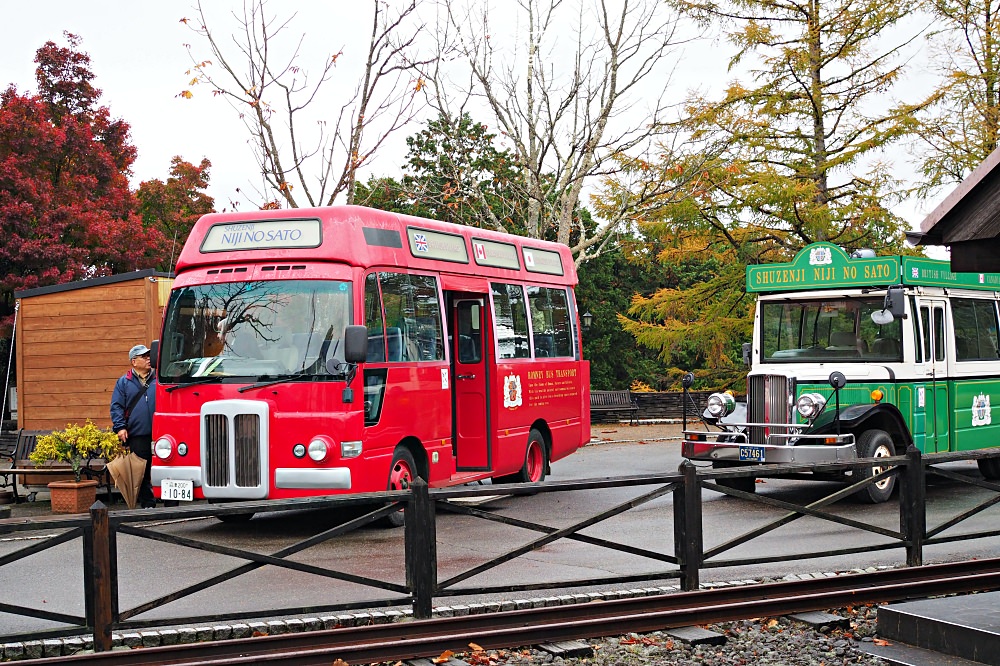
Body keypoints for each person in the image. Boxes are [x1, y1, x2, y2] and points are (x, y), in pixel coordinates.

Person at [110, 344, 157, 508]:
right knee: (141, 470)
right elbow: (116, 407)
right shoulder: (124, 382)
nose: (148, 359)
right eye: (144, 357)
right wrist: (120, 427)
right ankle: (148, 504)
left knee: (163, 467)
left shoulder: (159, 378)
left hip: (161, 432)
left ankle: (170, 503)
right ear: (134, 361)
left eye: (148, 356)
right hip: (138, 433)